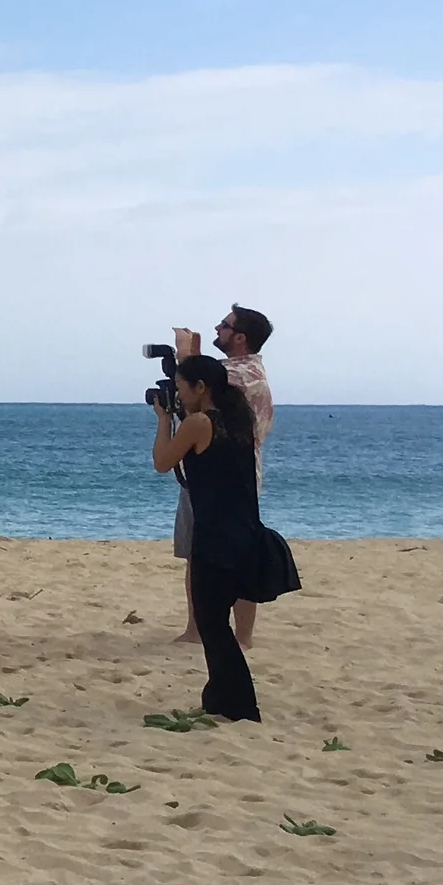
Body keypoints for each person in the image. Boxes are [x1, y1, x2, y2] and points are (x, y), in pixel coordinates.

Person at [152, 354, 300, 722]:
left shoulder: (198, 423)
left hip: (215, 537)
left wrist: (163, 420)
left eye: (183, 388)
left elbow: (162, 461)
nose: (179, 395)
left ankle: (238, 705)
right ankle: (220, 698)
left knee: (212, 623)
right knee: (216, 622)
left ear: (201, 388)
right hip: (245, 530)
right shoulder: (239, 418)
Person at [171, 305, 276, 647]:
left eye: (225, 326)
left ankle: (228, 634)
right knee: (206, 552)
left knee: (226, 554)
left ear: (241, 337)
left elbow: (199, 393)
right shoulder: (238, 372)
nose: (218, 328)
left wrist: (186, 357)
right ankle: (207, 629)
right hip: (218, 474)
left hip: (223, 477)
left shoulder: (243, 375)